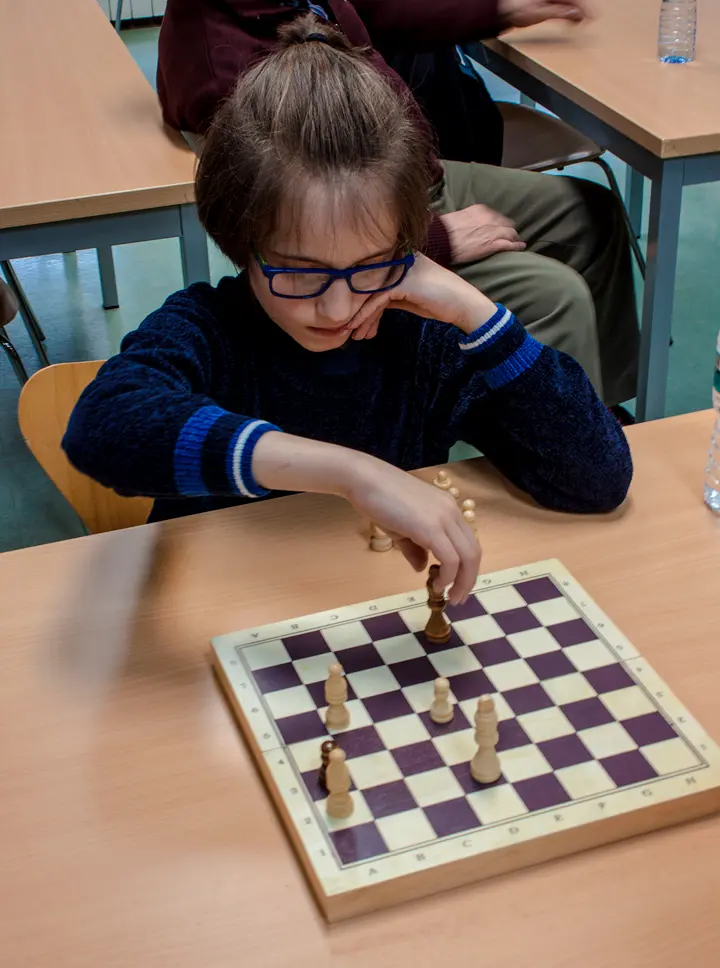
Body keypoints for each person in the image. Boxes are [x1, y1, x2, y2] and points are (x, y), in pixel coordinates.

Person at [63, 17, 632, 605]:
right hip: (223, 612)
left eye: (371, 265)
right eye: (300, 271)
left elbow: (598, 478)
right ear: (241, 238)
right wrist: (353, 474)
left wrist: (478, 313)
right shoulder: (208, 330)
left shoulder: (424, 343)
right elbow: (102, 428)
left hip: (360, 612)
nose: (337, 307)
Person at [157, 0, 640, 415]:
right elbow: (283, 225)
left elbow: (383, 8)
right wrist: (436, 240)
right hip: (368, 226)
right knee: (556, 295)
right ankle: (541, 438)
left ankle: (602, 407)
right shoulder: (221, 64)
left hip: (408, 182)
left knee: (589, 214)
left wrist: (498, 7)